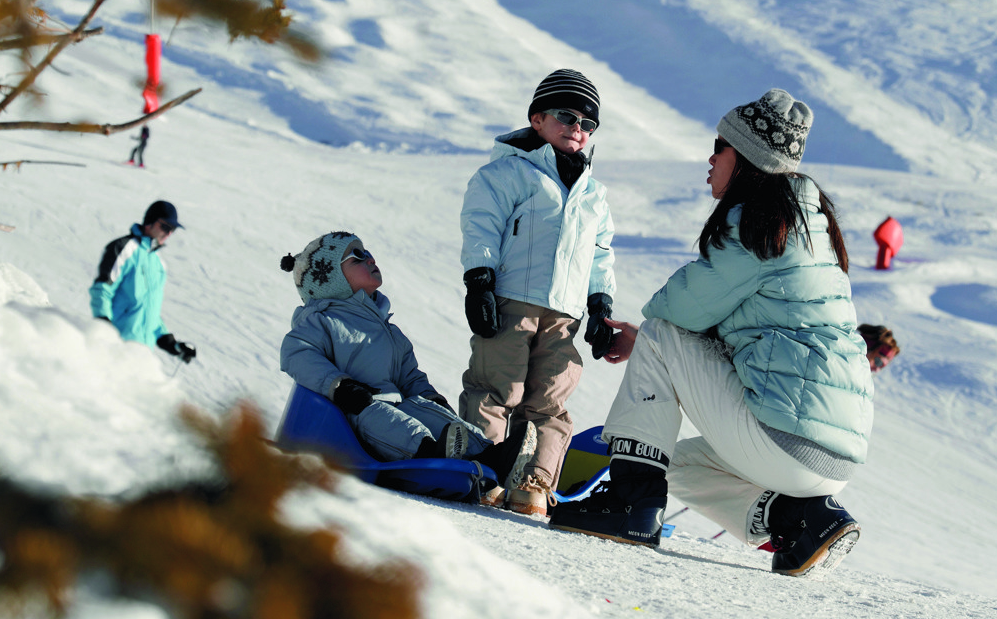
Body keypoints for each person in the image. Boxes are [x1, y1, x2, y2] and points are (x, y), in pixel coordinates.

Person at [549, 89, 874, 578]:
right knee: (674, 466)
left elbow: (675, 310)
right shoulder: (809, 228)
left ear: (745, 160)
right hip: (833, 458)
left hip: (787, 439)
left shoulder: (760, 225)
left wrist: (647, 340)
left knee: (660, 331)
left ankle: (631, 508)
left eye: (720, 146)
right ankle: (801, 520)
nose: (710, 157)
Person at [458, 69, 617, 518]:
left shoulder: (594, 194)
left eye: (588, 124)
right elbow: (481, 226)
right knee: (496, 387)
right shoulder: (508, 172)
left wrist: (600, 303)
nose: (578, 129)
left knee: (549, 398)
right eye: (567, 117)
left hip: (564, 314)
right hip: (511, 300)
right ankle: (482, 471)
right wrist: (480, 282)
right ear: (537, 118)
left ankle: (534, 481)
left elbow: (600, 252)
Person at [280, 232, 536, 487]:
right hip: (350, 413)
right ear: (331, 278)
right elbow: (296, 352)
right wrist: (339, 386)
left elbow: (409, 376)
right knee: (381, 416)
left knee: (424, 410)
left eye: (367, 252)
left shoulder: (389, 331)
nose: (370, 259)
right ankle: (432, 454)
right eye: (357, 257)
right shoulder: (322, 320)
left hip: (397, 406)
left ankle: (492, 456)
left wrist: (432, 399)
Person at [90, 199, 196, 363]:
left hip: (141, 354)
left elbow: (148, 309)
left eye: (172, 229)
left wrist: (171, 343)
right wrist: (104, 328)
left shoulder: (159, 264)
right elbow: (102, 290)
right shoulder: (124, 248)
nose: (168, 234)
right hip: (115, 349)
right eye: (165, 227)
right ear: (150, 222)